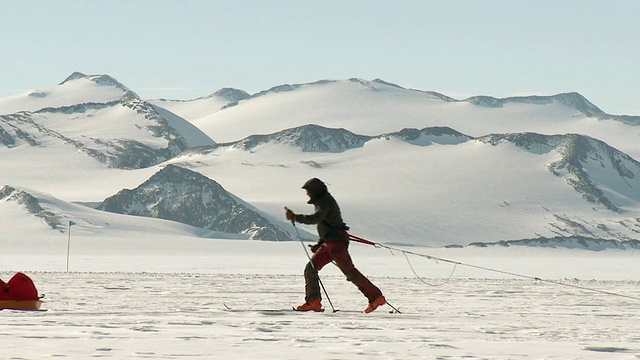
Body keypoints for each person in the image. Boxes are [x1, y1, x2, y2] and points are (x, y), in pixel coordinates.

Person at [285, 178, 386, 313]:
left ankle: (376, 297)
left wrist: (295, 217)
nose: (308, 195)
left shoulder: (324, 201)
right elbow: (327, 224)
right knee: (311, 269)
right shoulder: (323, 200)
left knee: (350, 272)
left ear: (315, 191)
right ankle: (313, 302)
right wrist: (320, 244)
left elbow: (317, 218)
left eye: (308, 191)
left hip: (335, 243)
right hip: (330, 243)